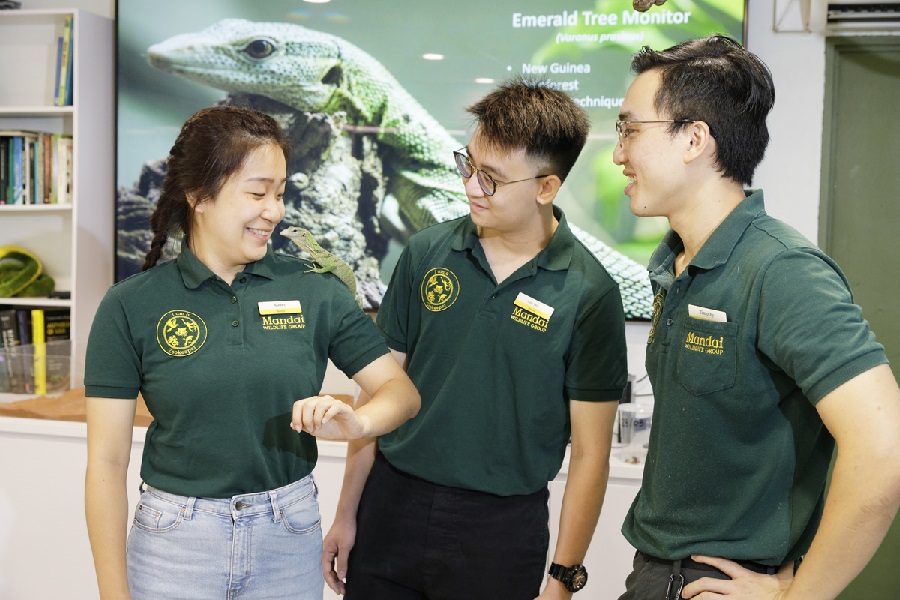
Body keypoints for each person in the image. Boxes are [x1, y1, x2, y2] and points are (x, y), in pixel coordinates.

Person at [83, 105, 420, 600]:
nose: (275, 211)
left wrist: (358, 423)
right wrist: (113, 594)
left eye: (280, 194)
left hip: (288, 541)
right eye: (258, 193)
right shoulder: (129, 305)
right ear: (198, 195)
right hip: (174, 545)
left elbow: (400, 393)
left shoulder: (315, 289)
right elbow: (107, 464)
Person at [612, 34, 900, 600]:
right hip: (655, 574)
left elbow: (883, 452)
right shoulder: (677, 262)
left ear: (693, 139)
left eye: (630, 130)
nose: (619, 153)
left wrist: (798, 596)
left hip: (715, 582)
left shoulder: (781, 269)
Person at [321, 78, 629, 599]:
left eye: (492, 179)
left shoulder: (589, 293)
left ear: (546, 188)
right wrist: (346, 513)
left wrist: (562, 579)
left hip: (500, 533)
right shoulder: (426, 253)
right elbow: (376, 392)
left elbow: (590, 455)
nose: (470, 187)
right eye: (469, 165)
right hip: (393, 506)